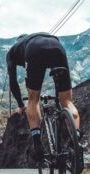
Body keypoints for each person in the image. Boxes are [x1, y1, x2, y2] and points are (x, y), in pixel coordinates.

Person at [6, 32, 80, 161]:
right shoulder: (33, 38)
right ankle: (76, 142)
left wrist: (20, 105)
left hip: (34, 49)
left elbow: (13, 82)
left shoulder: (13, 51)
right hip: (57, 46)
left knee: (33, 99)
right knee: (67, 101)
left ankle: (37, 144)